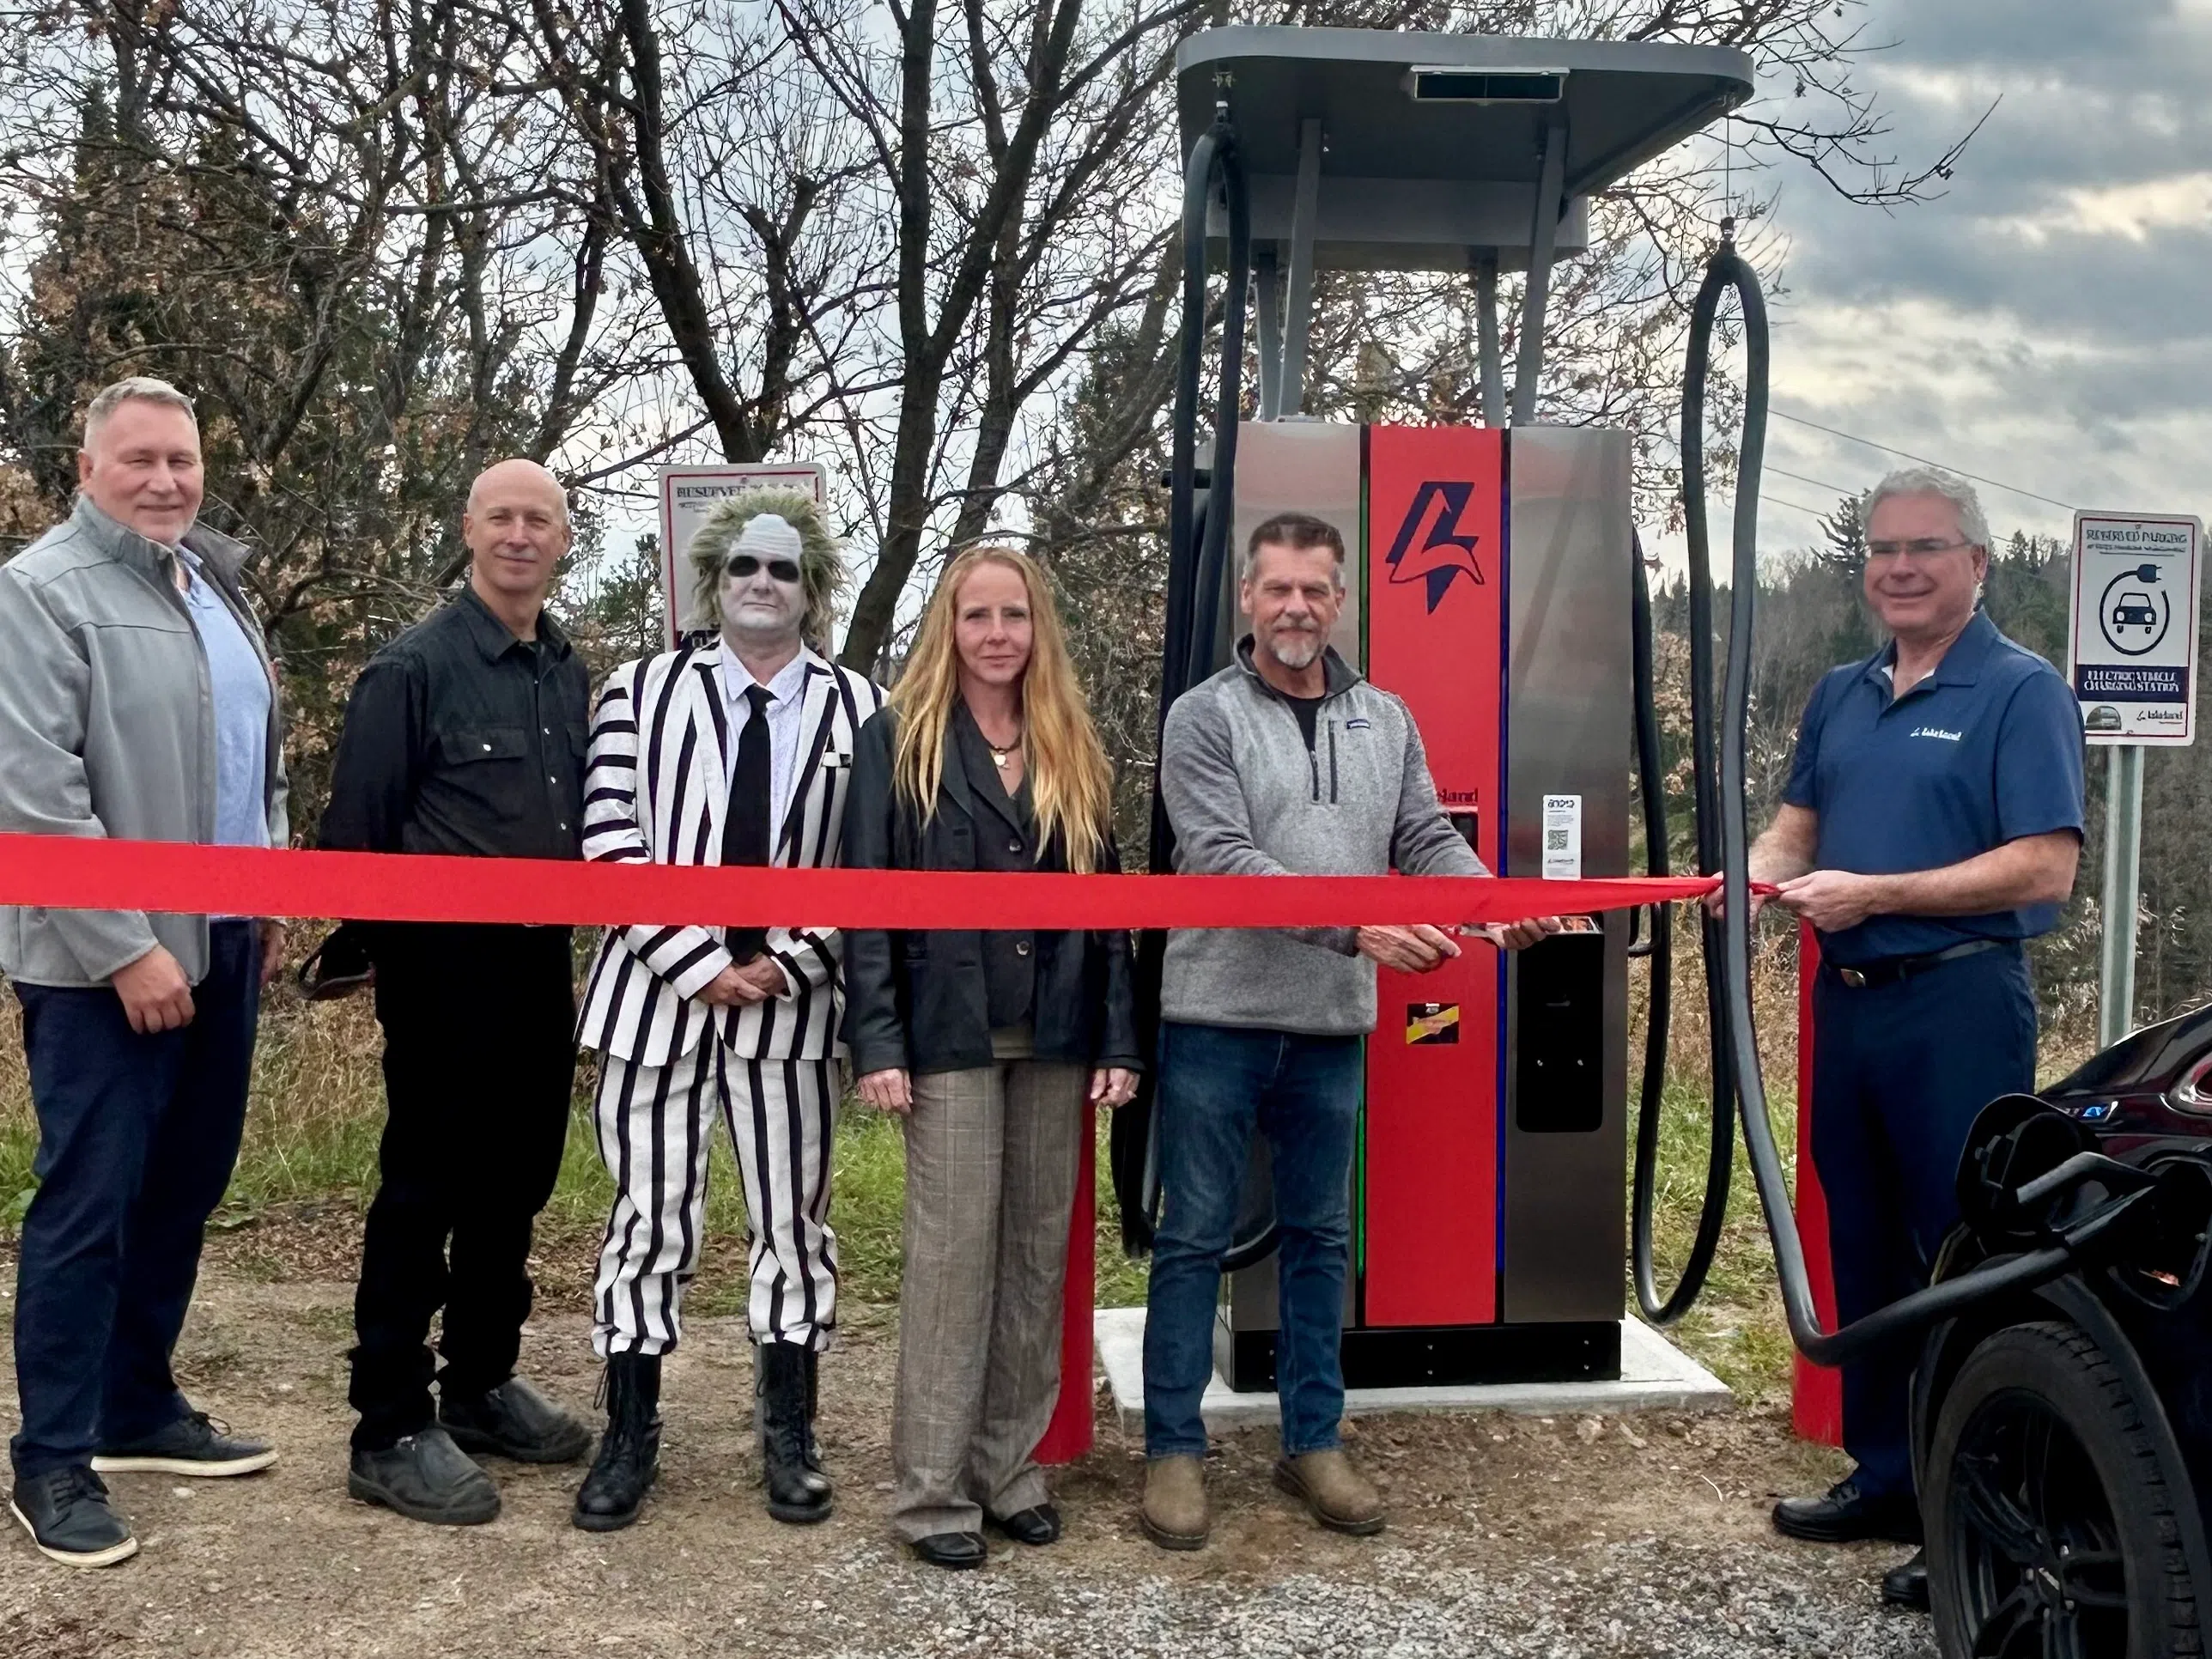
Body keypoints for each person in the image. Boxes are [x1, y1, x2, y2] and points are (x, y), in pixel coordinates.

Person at [1139, 511, 1554, 1552]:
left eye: (1314, 591)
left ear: (1338, 601)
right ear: (1246, 598)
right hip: (1217, 1017)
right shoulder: (1202, 717)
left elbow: (1422, 837)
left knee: (1323, 1241)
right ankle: (1172, 1453)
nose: (1294, 608)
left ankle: (1311, 1440)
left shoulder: (1387, 719)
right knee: (1192, 1241)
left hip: (1329, 1026)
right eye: (1276, 589)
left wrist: (1484, 906)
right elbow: (1223, 860)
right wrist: (1358, 925)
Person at [1741, 467, 2084, 1611]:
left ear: (1976, 564)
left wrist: (1879, 893)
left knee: (1961, 1261)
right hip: (1851, 1004)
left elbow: (2044, 863)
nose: (1898, 567)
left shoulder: (2019, 691)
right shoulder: (1842, 691)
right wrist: (1753, 877)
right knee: (1867, 1245)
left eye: (1925, 549)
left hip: (1958, 1004)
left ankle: (1971, 1511)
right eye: (1882, 549)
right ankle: (1885, 1473)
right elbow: (1797, 823)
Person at [0, 377, 288, 1569]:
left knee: (183, 1184)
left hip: (222, 944)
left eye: (182, 457)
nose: (167, 479)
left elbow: (252, 759)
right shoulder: (38, 593)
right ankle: (51, 1460)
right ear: (87, 469)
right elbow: (33, 798)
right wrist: (126, 945)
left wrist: (269, 893)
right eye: (141, 461)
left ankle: (136, 1406)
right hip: (98, 963)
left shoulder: (210, 582)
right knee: (90, 1202)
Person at [569, 495, 883, 1532]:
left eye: (784, 570)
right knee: (648, 1219)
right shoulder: (637, 689)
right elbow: (609, 834)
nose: (762, 582)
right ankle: (629, 1433)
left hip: (791, 1010)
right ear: (713, 578)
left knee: (791, 1222)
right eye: (744, 564)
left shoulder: (860, 708)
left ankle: (788, 1431)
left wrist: (788, 962)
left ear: (812, 588)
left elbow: (866, 864)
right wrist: (693, 959)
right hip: (655, 1000)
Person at [842, 544, 1139, 1571]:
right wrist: (876, 1040)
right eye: (977, 617)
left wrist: (1116, 1037)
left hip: (1055, 1038)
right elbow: (866, 903)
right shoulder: (899, 740)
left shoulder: (1070, 745)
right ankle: (931, 1494)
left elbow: (1108, 913)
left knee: (1032, 1261)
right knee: (951, 1266)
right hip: (949, 1041)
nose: (998, 635)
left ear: (1036, 628)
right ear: (949, 627)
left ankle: (1008, 1472)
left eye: (1014, 616)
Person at [319, 458, 593, 1525]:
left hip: (538, 961)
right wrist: (402, 962)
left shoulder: (563, 670)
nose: (520, 535)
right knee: (425, 1186)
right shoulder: (411, 668)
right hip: (440, 968)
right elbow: (358, 840)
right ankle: (387, 1423)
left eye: (540, 520)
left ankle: (478, 1383)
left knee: (514, 1180)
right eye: (501, 518)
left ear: (563, 539)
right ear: (469, 531)